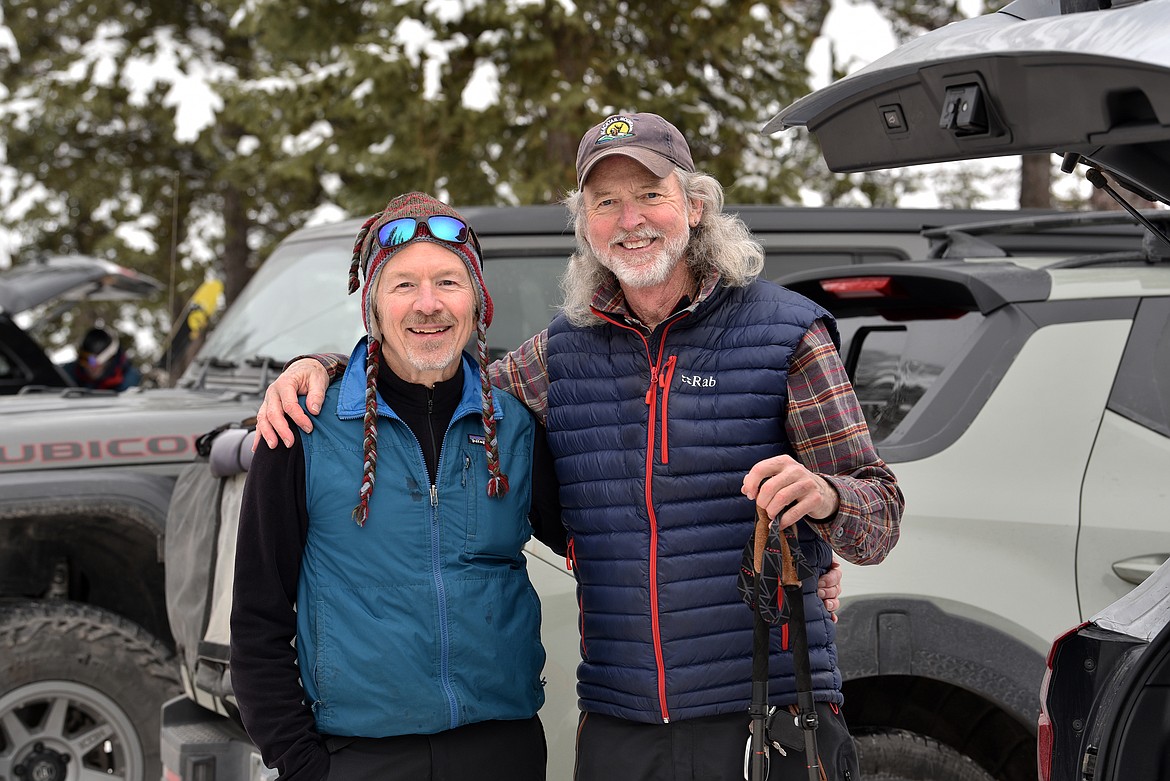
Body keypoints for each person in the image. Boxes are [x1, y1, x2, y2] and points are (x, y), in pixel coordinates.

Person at [256, 112, 899, 780]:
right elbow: (434, 385)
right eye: (606, 202)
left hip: (765, 715)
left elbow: (878, 516)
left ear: (696, 205)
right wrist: (327, 368)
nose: (630, 220)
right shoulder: (563, 353)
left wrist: (824, 498)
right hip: (622, 727)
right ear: (585, 225)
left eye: (651, 194)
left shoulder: (785, 336)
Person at [229, 192, 567, 781]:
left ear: (478, 301)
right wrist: (301, 764)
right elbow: (258, 620)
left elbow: (604, 540)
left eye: (448, 282)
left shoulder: (513, 428)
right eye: (404, 285)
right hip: (358, 756)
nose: (428, 305)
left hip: (502, 751)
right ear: (374, 307)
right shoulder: (304, 427)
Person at [63, 325, 141, 390]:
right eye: (83, 359)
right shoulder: (73, 370)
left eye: (92, 361)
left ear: (108, 359)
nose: (88, 366)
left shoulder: (127, 381)